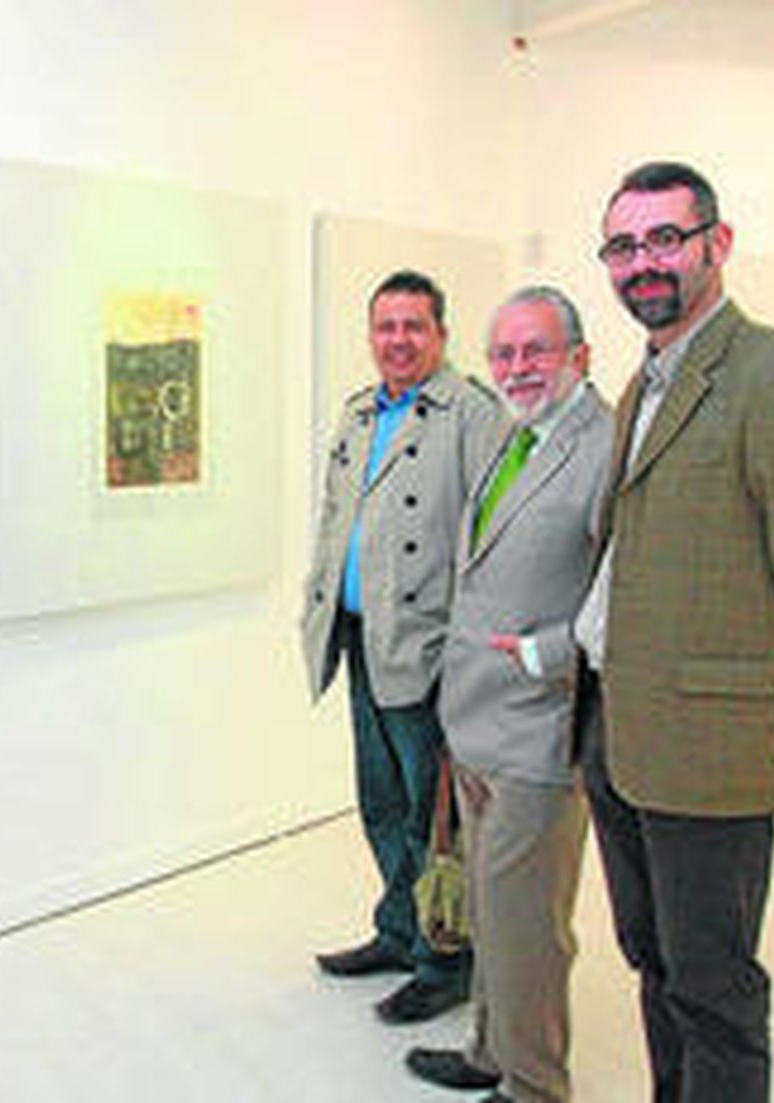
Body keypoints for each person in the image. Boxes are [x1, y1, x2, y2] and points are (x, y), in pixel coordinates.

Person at [576, 161, 774, 1102]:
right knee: (654, 961)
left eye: (663, 239)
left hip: (712, 739)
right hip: (615, 724)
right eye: (622, 245)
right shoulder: (639, 383)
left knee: (715, 987)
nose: (641, 263)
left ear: (716, 244)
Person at [404, 287, 611, 1103]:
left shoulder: (604, 447)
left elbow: (627, 587)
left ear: (579, 357)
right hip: (479, 723)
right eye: (504, 354)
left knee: (529, 929)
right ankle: (490, 1050)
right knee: (492, 912)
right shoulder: (513, 434)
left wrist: (543, 653)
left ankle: (534, 1086)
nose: (517, 367)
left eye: (536, 350)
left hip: (543, 734)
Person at [302, 269, 506, 1024]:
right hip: (360, 636)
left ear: (441, 334)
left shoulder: (472, 413)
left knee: (435, 816)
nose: (397, 340)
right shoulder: (359, 414)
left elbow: (492, 540)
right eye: (385, 326)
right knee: (381, 801)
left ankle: (444, 957)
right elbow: (334, 520)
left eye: (413, 326)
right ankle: (398, 929)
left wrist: (471, 655)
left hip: (430, 651)